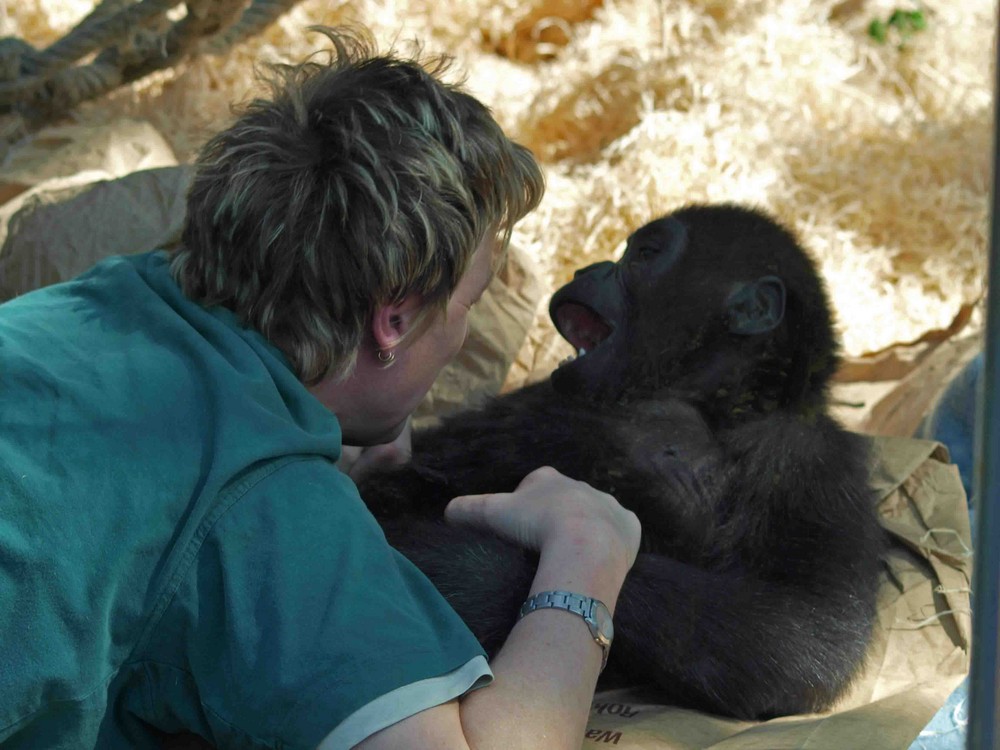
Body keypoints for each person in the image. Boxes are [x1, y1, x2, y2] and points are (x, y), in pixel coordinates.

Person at [0, 26, 641, 750]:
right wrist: (587, 553)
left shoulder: (96, 299)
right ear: (393, 320)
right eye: (466, 305)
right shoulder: (268, 503)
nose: (460, 333)